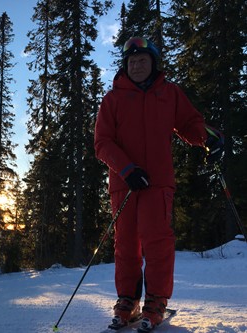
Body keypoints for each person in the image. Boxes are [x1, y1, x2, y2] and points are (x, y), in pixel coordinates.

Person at [94, 36, 223, 331]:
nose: (137, 66)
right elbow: (102, 142)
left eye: (143, 61)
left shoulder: (169, 93)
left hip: (158, 183)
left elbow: (190, 125)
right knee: (126, 245)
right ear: (125, 66)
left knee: (157, 242)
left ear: (153, 64)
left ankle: (156, 301)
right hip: (125, 183)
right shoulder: (113, 99)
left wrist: (209, 137)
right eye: (132, 62)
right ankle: (127, 300)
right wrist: (127, 169)